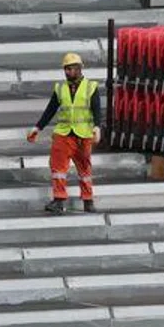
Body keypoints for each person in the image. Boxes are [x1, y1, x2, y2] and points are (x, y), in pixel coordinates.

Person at [28, 52, 104, 214]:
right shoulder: (60, 88)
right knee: (58, 169)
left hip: (83, 135)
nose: (69, 72)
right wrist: (38, 127)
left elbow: (97, 109)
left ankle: (88, 200)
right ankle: (59, 199)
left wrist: (97, 127)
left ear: (80, 68)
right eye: (67, 69)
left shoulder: (90, 87)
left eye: (72, 68)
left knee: (85, 170)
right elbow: (50, 110)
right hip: (63, 133)